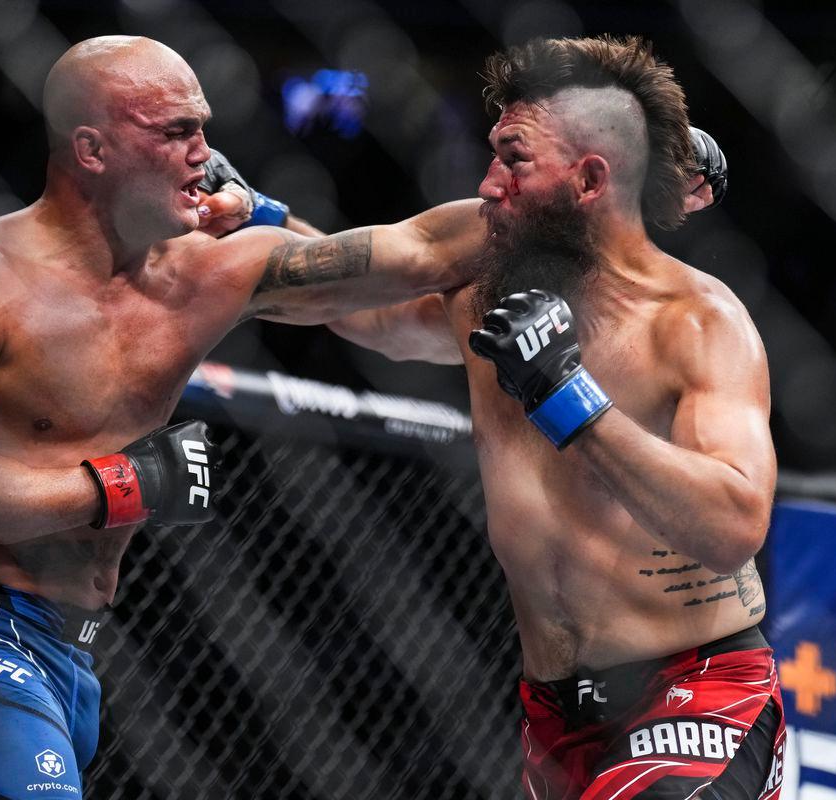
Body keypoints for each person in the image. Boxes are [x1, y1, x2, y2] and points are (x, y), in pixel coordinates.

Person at [0, 34, 486, 799]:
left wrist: (583, 188)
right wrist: (121, 484)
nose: (204, 154)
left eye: (203, 127)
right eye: (177, 131)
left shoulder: (204, 272)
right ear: (92, 148)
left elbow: (417, 259)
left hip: (76, 651)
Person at [329, 36, 784, 799]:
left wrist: (569, 399)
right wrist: (259, 216)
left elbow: (734, 522)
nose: (486, 186)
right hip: (553, 715)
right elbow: (364, 316)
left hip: (699, 687)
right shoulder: (486, 298)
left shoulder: (700, 323)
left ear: (590, 181)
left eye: (513, 161)